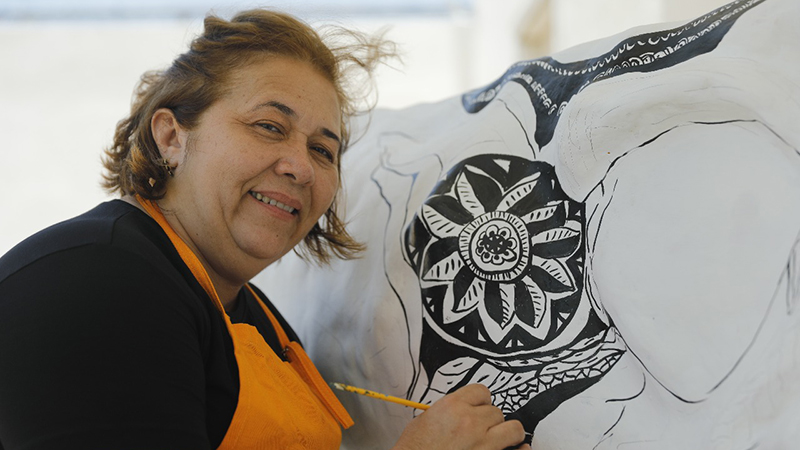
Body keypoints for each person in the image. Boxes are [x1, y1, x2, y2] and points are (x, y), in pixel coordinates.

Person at [0, 9, 530, 450]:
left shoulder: (256, 320)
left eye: (323, 150)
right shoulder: (96, 282)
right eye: (269, 127)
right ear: (171, 137)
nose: (300, 166)